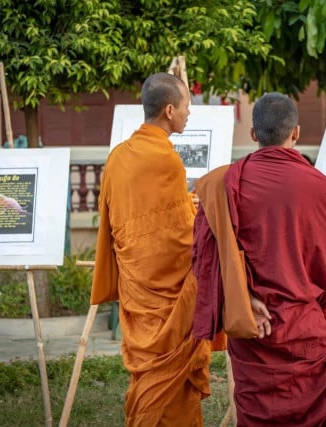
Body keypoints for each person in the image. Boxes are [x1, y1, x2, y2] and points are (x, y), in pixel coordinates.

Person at [192, 92, 326, 426]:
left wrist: (245, 298)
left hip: (252, 327)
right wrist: (316, 311)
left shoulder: (224, 183)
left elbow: (207, 260)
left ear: (253, 135)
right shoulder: (318, 185)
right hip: (302, 323)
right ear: (295, 133)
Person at [90, 72, 219, 426]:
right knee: (171, 385)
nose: (189, 114)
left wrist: (185, 208)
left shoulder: (118, 156)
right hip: (167, 293)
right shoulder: (165, 159)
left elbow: (118, 221)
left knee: (148, 375)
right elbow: (178, 237)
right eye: (186, 107)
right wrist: (202, 217)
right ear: (168, 110)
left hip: (137, 286)